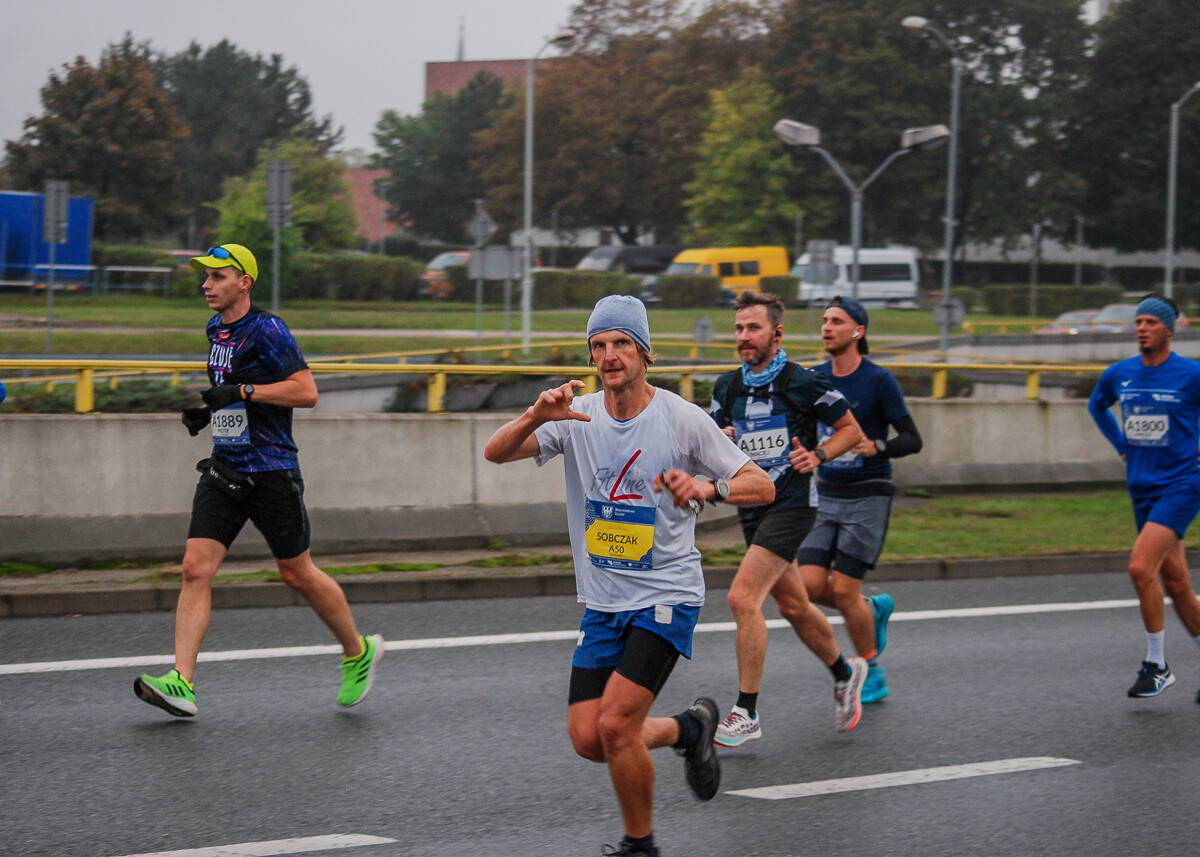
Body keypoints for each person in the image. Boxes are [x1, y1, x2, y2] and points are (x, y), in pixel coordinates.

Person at [484, 295, 775, 857]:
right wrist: (534, 415)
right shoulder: (576, 416)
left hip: (667, 594)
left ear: (645, 353)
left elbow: (761, 485)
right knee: (589, 739)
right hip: (603, 602)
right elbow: (497, 454)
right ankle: (690, 730)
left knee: (617, 728)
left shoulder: (681, 417)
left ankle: (639, 846)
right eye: (599, 346)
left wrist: (706, 488)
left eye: (621, 344)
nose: (609, 356)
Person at [133, 243, 383, 717]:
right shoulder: (216, 329)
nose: (207, 285)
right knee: (194, 567)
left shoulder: (268, 329)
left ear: (244, 282)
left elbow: (306, 392)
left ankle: (358, 652)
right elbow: (235, 393)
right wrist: (210, 411)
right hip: (226, 467)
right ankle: (181, 683)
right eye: (205, 277)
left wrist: (242, 390)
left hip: (271, 471)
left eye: (218, 276)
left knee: (297, 573)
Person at [708, 290, 868, 747]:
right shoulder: (727, 387)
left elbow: (851, 431)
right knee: (795, 606)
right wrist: (723, 437)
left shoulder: (804, 382)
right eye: (739, 328)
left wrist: (817, 455)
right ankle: (846, 670)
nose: (744, 337)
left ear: (777, 334)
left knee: (743, 599)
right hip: (751, 505)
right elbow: (715, 442)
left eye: (753, 328)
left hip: (794, 504)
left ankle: (747, 711)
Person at [796, 296, 923, 705]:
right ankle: (872, 610)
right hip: (826, 492)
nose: (826, 328)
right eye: (824, 321)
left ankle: (871, 670)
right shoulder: (813, 377)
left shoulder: (878, 380)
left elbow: (912, 438)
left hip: (868, 494)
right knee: (810, 585)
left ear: (858, 331)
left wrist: (878, 446)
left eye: (836, 321)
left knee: (845, 590)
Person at [1088, 294, 1200, 701]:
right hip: (1141, 487)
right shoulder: (1121, 373)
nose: (1141, 328)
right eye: (1138, 322)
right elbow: (1097, 406)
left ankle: (1156, 666)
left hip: (1184, 484)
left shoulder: (1191, 374)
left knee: (1140, 569)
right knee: (1177, 583)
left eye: (1151, 322)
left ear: (1169, 329)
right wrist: (1121, 445)